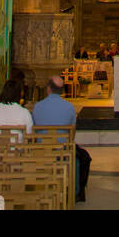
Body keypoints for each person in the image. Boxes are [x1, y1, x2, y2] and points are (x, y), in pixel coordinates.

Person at [33, 75, 91, 203]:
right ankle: (75, 191)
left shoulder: (37, 107)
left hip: (41, 151)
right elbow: (72, 133)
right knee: (78, 156)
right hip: (62, 151)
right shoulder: (70, 107)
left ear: (48, 89)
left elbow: (35, 129)